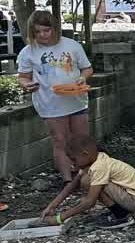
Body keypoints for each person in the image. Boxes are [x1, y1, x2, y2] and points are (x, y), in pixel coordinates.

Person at [16, 11, 93, 182]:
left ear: (54, 29)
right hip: (49, 103)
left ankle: (86, 177)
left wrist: (82, 78)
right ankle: (68, 180)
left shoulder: (72, 45)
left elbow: (87, 68)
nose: (42, 35)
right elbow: (23, 76)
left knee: (81, 140)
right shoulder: (28, 52)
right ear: (32, 32)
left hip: (76, 100)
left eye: (46, 30)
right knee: (59, 140)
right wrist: (26, 85)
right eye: (37, 32)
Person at [40, 135, 135, 229]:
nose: (73, 164)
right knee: (86, 179)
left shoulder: (99, 167)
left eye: (74, 159)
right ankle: (119, 210)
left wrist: (59, 218)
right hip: (133, 195)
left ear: (85, 154)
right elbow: (72, 186)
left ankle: (121, 216)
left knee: (87, 181)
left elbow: (90, 202)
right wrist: (52, 205)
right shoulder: (95, 159)